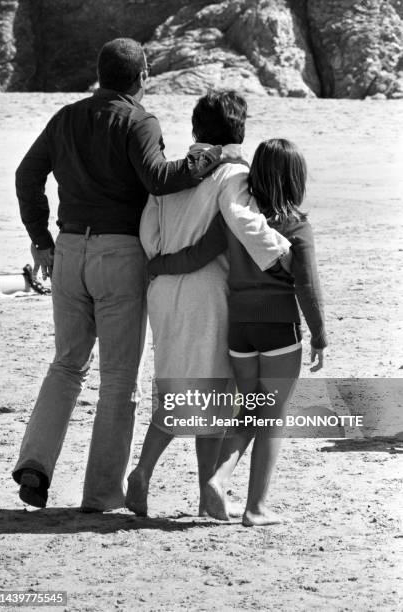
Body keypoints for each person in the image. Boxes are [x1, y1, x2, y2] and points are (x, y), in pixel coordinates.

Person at [12, 38, 225, 511]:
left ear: (100, 74)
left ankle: (35, 464)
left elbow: (27, 175)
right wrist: (209, 158)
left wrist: (41, 239)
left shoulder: (67, 116)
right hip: (120, 254)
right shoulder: (139, 120)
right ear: (143, 77)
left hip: (67, 251)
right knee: (118, 380)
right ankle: (102, 493)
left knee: (66, 364)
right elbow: (158, 179)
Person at [125, 92, 291, 517]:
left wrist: (162, 262)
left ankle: (154, 474)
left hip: (163, 287)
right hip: (208, 291)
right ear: (240, 131)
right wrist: (286, 253)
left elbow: (149, 231)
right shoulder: (232, 172)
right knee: (220, 392)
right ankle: (207, 493)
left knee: (176, 387)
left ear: (197, 129)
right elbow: (244, 221)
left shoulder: (171, 175)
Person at [147, 138, 328, 525]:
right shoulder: (297, 225)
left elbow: (197, 254)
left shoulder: (234, 220)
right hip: (278, 329)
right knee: (272, 418)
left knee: (248, 412)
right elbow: (307, 285)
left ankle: (219, 478)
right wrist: (320, 335)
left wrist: (158, 266)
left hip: (239, 332)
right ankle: (255, 507)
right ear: (296, 179)